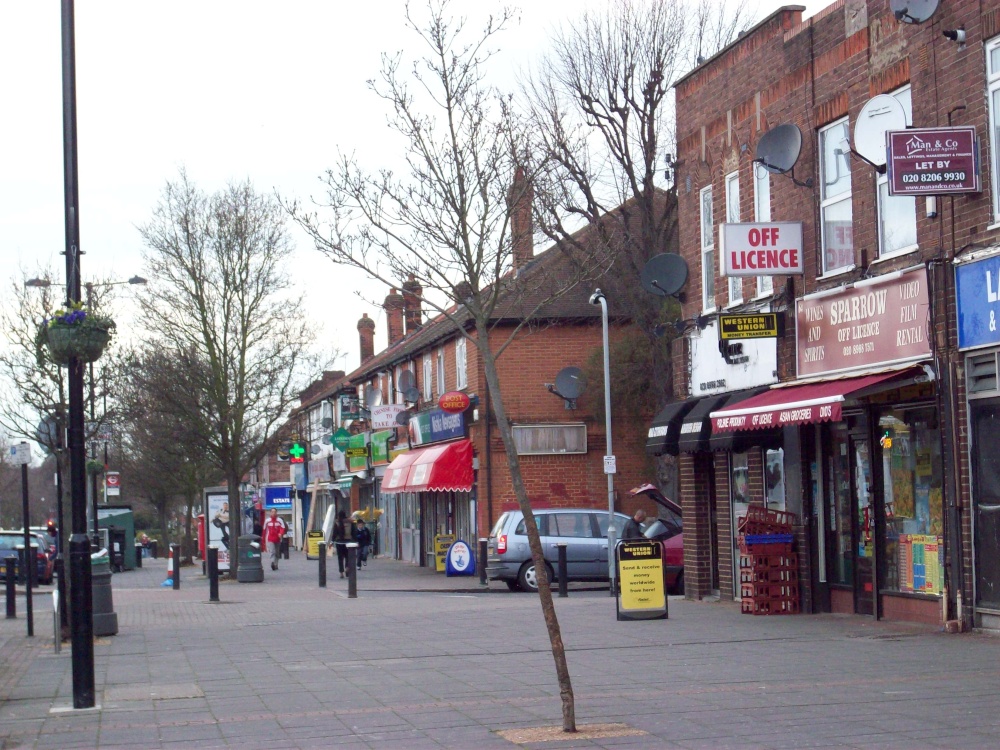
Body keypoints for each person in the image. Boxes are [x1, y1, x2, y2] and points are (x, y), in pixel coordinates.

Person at [331, 510, 356, 578]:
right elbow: (354, 532)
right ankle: (347, 568)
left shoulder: (337, 523)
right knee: (348, 556)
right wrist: (355, 541)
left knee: (340, 558)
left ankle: (341, 573)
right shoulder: (350, 522)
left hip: (339, 543)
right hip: (348, 542)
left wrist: (332, 541)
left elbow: (334, 533)